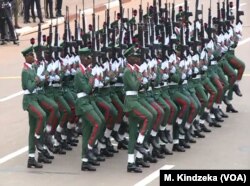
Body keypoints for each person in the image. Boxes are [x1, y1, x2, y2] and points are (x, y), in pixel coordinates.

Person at [21, 46, 46, 168]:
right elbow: (28, 87)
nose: (34, 56)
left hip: (34, 98)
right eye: (31, 55)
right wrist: (36, 81)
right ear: (26, 57)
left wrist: (41, 80)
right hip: (29, 101)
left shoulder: (33, 68)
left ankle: (31, 158)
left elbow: (38, 83)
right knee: (42, 115)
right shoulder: (25, 71)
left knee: (32, 129)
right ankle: (37, 138)